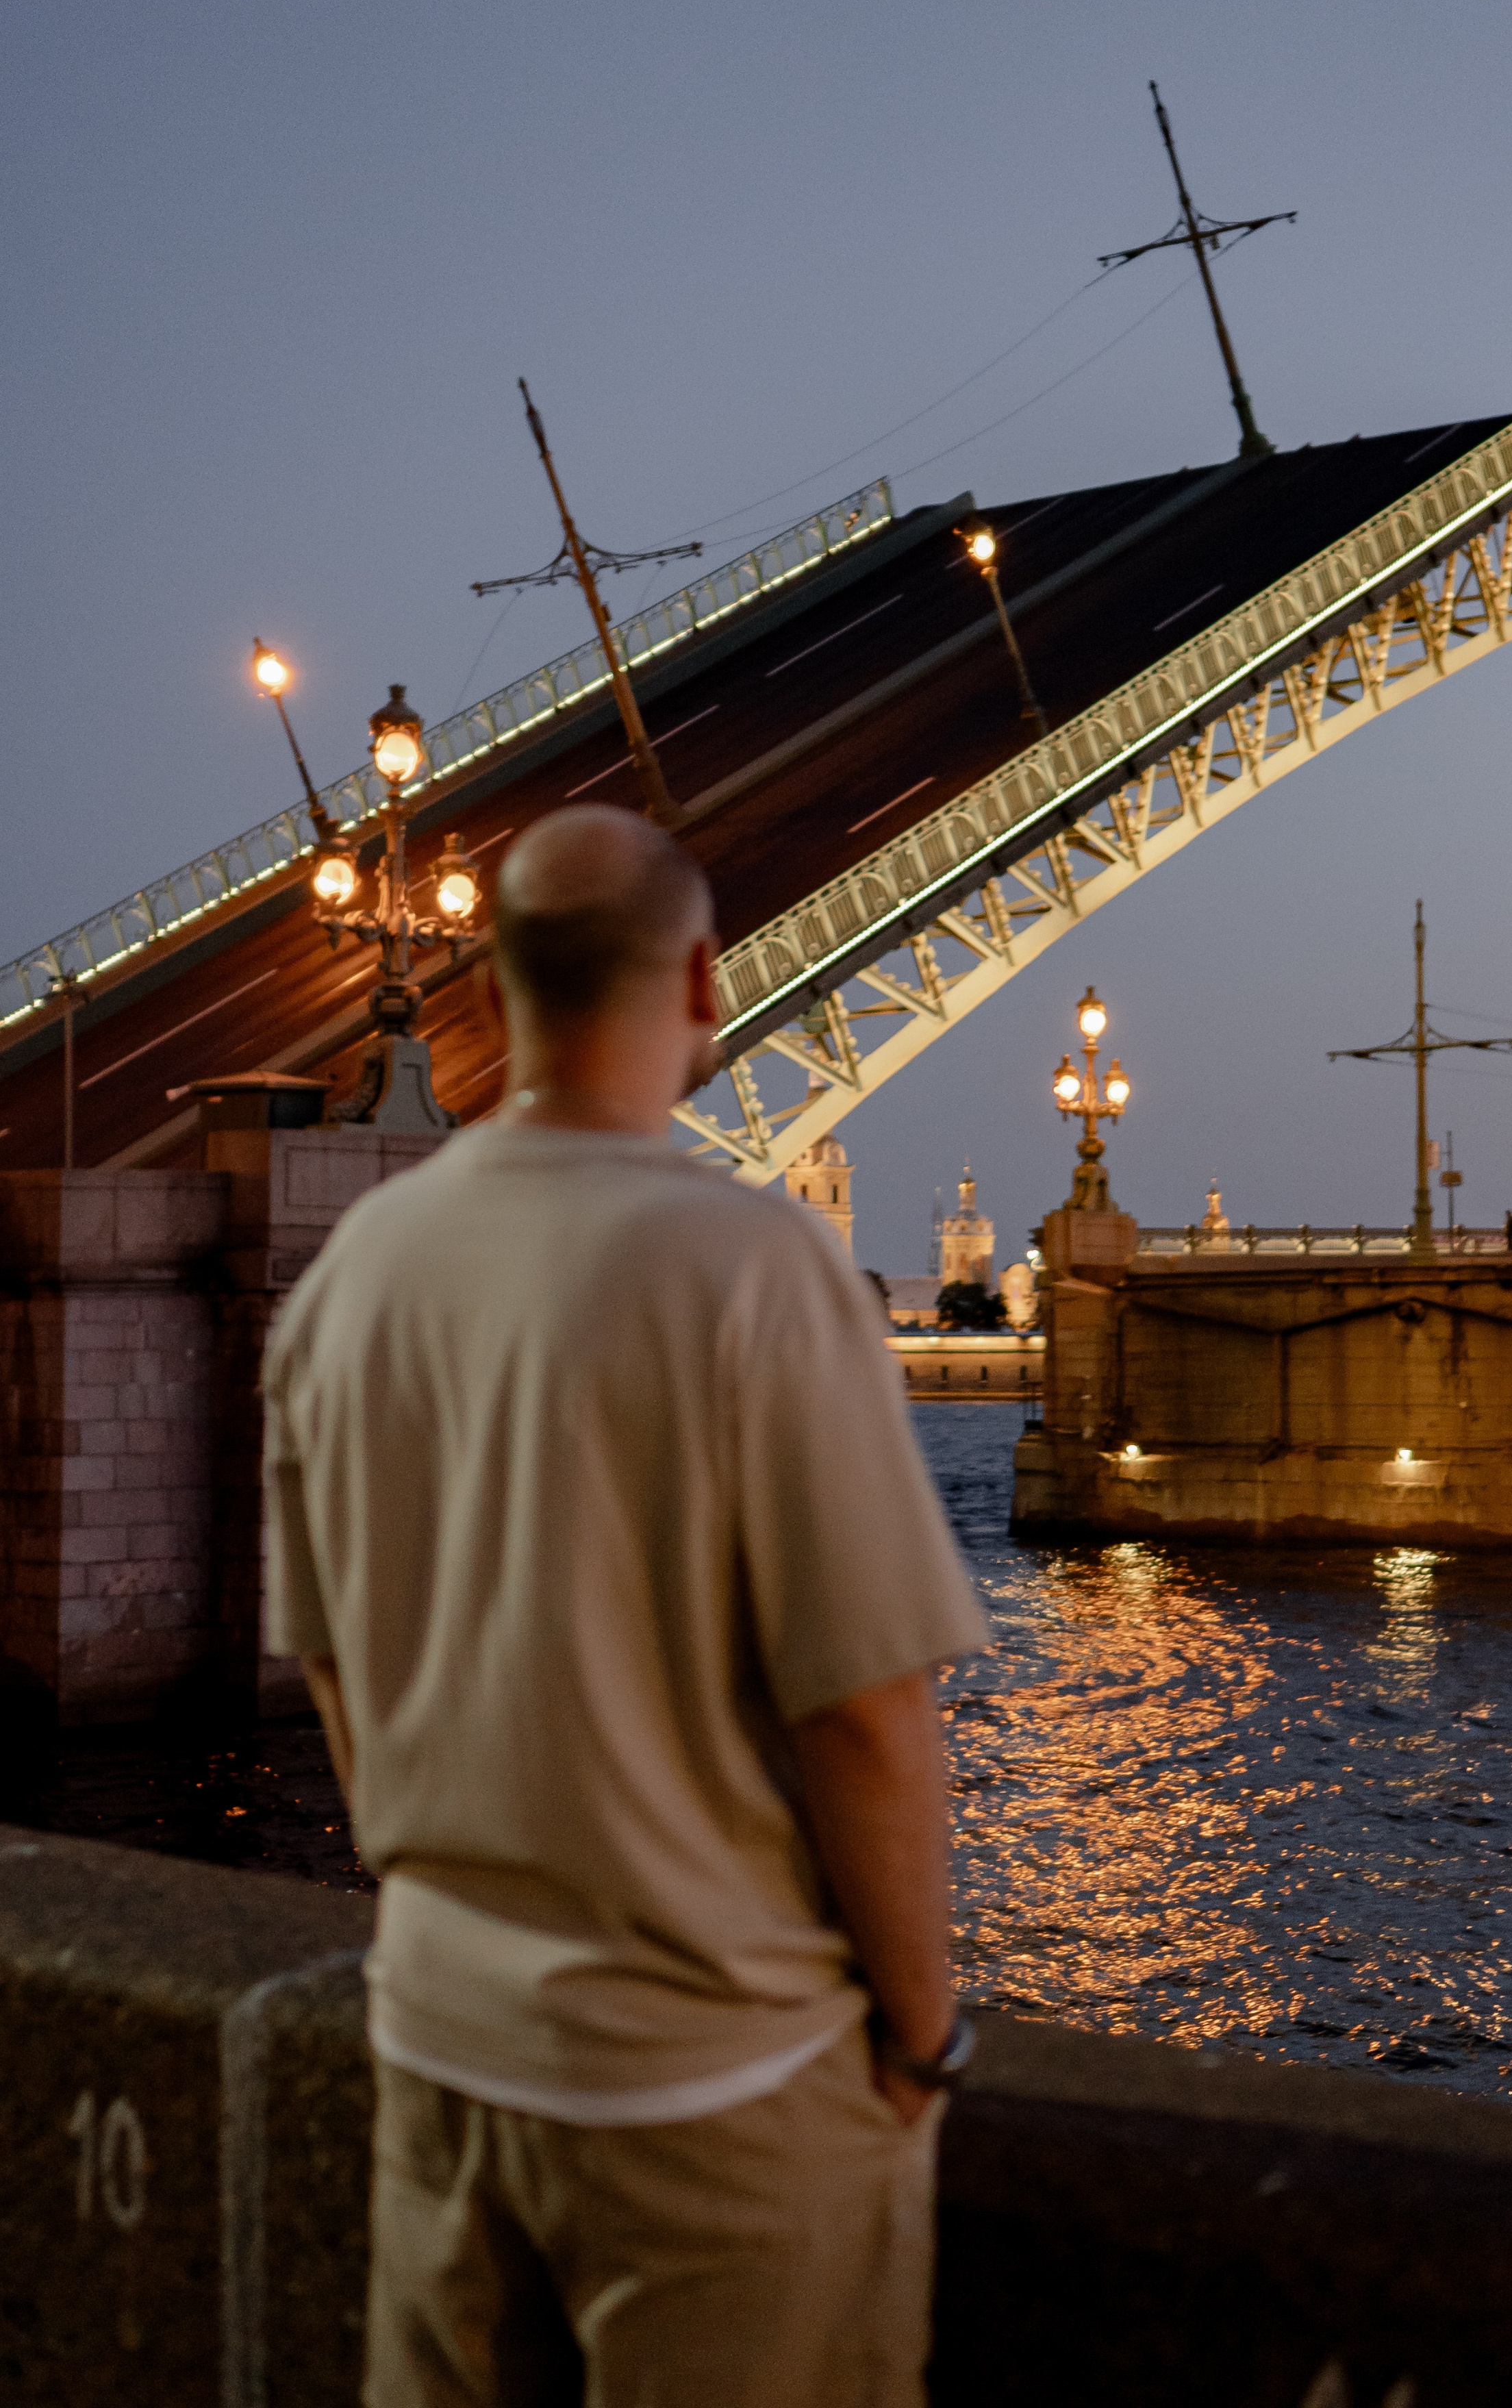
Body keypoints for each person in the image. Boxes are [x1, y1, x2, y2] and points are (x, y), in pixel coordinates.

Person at [264, 803, 989, 2408]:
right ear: (704, 982)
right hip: (711, 2089)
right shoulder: (753, 1270)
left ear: (495, 986)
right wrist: (922, 2039)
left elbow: (329, 1665)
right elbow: (866, 1714)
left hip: (444, 2054)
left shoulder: (353, 1276)